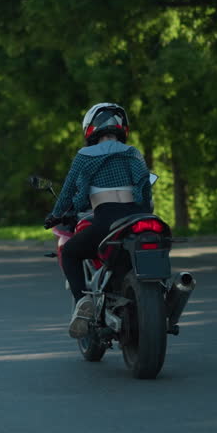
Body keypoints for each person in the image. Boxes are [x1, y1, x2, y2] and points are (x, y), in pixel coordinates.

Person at [45, 102, 153, 338]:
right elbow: (144, 188)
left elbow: (68, 192)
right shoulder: (134, 153)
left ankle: (83, 301)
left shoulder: (85, 156)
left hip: (107, 221)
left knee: (71, 253)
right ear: (122, 128)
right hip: (139, 218)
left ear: (91, 129)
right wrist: (147, 210)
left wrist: (55, 215)